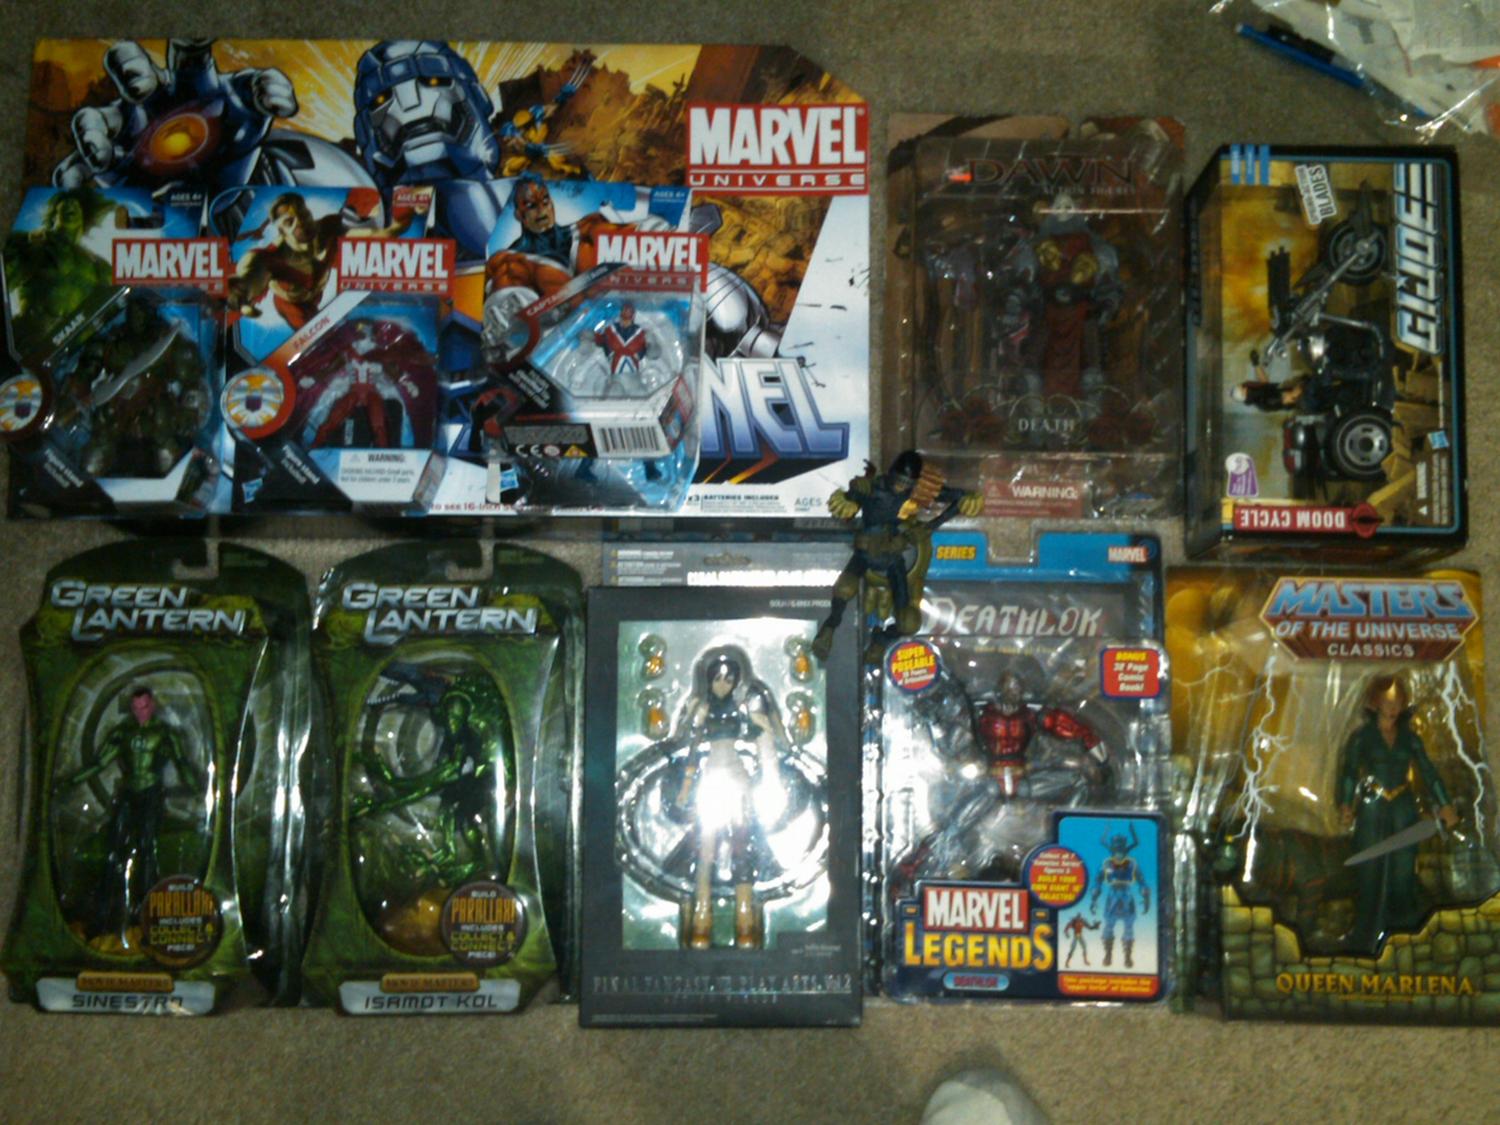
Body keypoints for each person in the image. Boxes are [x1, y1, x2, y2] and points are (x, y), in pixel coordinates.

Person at [1337, 675, 1459, 953]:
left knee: (1403, 871)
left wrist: (1445, 803)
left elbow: (1428, 771)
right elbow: (1349, 772)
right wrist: (1346, 804)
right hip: (1372, 806)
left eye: (1397, 702)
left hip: (1403, 806)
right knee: (1369, 870)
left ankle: (1404, 931)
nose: (1392, 708)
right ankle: (1366, 934)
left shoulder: (1409, 738)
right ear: (1375, 703)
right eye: (1387, 702)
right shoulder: (1362, 737)